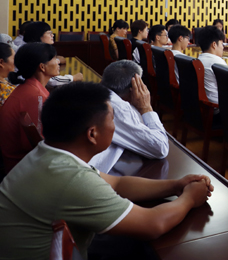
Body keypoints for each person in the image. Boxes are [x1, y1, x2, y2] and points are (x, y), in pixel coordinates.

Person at [0, 82, 213, 259]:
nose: (114, 126)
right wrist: (190, 198)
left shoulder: (48, 153)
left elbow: (117, 183)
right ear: (92, 134)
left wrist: (176, 185)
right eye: (112, 119)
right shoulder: (71, 178)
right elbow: (153, 224)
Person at [88, 61, 169, 174]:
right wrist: (146, 108)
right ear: (134, 89)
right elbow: (160, 148)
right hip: (90, 175)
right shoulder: (117, 107)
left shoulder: (91, 91)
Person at [0, 43, 59, 171]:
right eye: (54, 58)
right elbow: (41, 144)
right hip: (21, 168)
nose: (58, 62)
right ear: (42, 67)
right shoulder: (35, 96)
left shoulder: (30, 88)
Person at [24, 21, 83, 86]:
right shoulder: (35, 52)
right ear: (38, 35)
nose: (52, 35)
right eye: (49, 33)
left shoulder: (33, 49)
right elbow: (51, 81)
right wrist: (73, 78)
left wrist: (57, 60)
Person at [197, 26, 228, 107]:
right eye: (222, 44)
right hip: (216, 106)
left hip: (202, 103)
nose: (223, 47)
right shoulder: (217, 62)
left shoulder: (199, 59)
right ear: (214, 45)